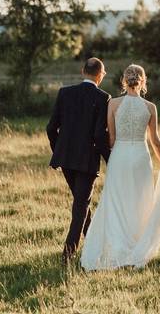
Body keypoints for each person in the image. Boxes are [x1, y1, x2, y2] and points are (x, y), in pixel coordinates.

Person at [81, 64, 160, 270]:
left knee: (116, 201)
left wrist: (116, 154)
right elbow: (155, 141)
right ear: (143, 81)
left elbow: (111, 137)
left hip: (120, 156)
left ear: (124, 81)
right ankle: (137, 245)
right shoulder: (150, 107)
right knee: (139, 201)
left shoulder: (113, 104)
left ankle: (116, 245)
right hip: (141, 157)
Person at [46, 57, 111, 263]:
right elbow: (100, 136)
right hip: (87, 161)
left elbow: (50, 128)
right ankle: (68, 254)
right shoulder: (103, 98)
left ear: (83, 71)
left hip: (66, 159)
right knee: (81, 205)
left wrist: (59, 151)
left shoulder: (65, 93)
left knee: (81, 202)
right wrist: (111, 159)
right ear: (101, 75)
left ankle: (93, 243)